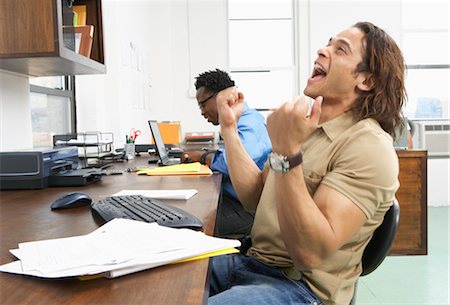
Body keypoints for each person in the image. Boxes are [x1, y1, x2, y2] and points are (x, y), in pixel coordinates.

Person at [208, 22, 406, 305]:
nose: (321, 50)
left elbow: (309, 253)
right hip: (252, 264)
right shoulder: (308, 128)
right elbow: (254, 197)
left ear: (367, 80)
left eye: (340, 49)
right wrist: (229, 127)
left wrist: (288, 152)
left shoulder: (369, 146)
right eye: (328, 43)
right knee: (154, 279)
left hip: (300, 288)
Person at [183, 69, 272, 238]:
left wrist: (202, 157)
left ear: (221, 97)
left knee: (190, 224)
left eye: (203, 104)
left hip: (248, 211)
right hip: (235, 202)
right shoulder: (240, 120)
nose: (202, 112)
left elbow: (230, 163)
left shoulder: (250, 122)